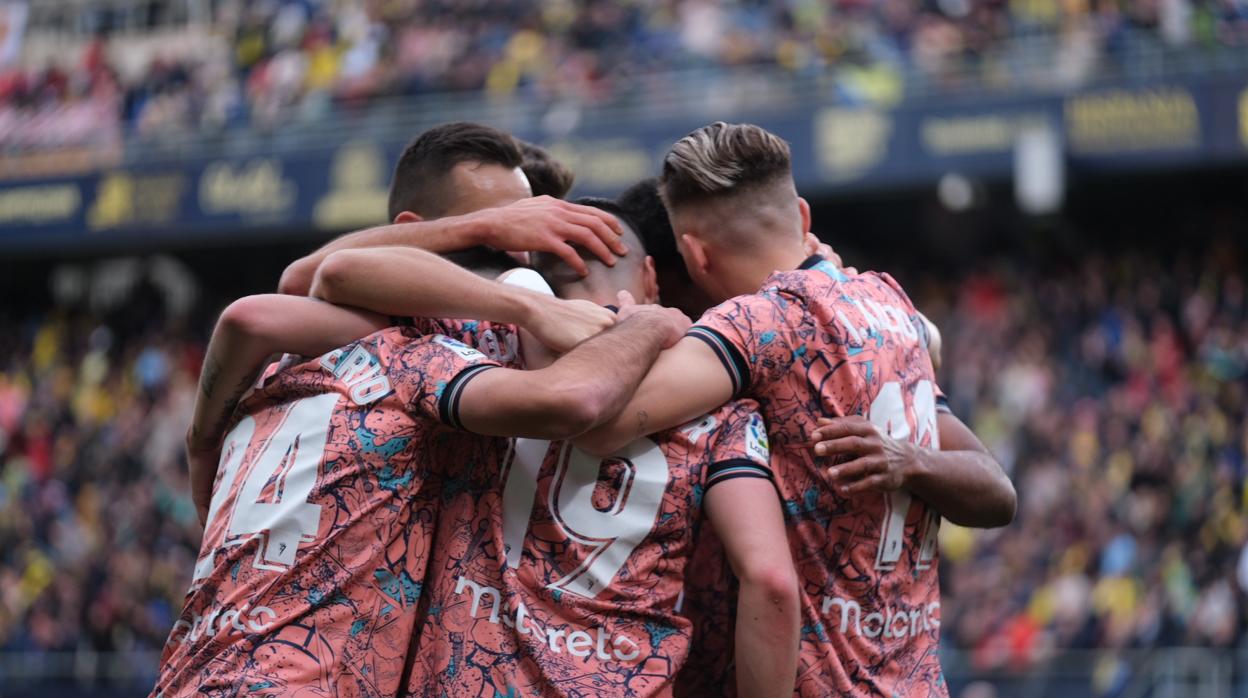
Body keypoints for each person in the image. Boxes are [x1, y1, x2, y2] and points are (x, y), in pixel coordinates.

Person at [573, 123, 1016, 696]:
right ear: (804, 217)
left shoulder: (758, 322)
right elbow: (998, 491)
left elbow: (599, 419)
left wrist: (644, 323)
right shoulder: (892, 307)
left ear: (695, 255)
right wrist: (913, 462)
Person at [153, 284, 688, 696]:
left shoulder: (270, 378)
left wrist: (200, 441)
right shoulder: (413, 359)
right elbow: (571, 400)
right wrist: (642, 326)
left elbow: (251, 313)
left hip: (187, 673)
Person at [373, 199, 800, 696]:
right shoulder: (723, 409)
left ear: (540, 281)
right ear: (650, 275)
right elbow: (770, 580)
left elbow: (326, 275)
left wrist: (507, 276)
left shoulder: (481, 354)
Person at [276, 122, 627, 296]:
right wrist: (482, 226)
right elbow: (298, 282)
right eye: (507, 227)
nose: (522, 253)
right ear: (413, 227)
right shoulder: (376, 322)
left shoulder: (544, 308)